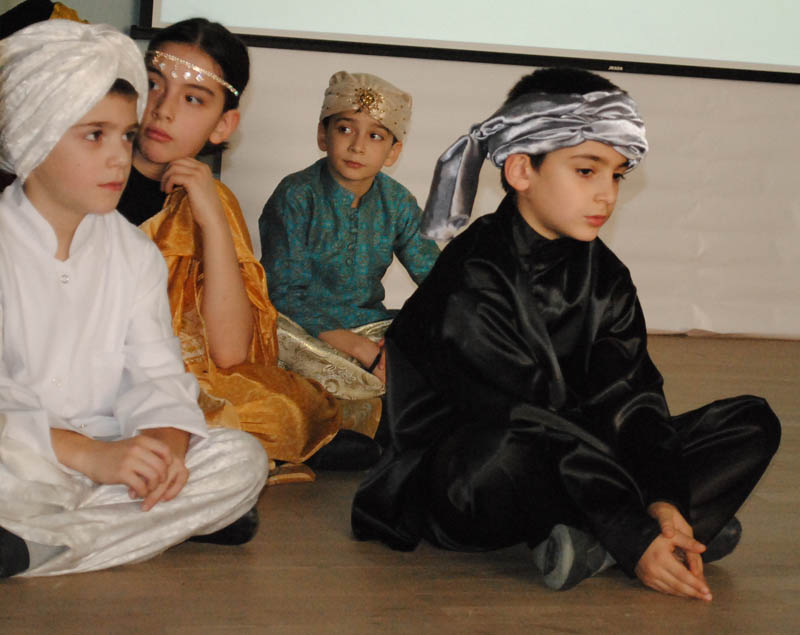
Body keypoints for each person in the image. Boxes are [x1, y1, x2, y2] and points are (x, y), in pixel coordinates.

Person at [350, 67, 780, 600]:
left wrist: (664, 498)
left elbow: (633, 399)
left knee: (751, 422)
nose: (606, 195)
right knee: (507, 451)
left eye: (617, 175)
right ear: (521, 170)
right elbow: (526, 418)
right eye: (586, 170)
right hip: (469, 477)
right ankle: (647, 534)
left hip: (574, 450)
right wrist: (630, 525)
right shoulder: (471, 278)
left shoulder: (607, 277)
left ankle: (618, 536)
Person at [0, 20, 268, 578]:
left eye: (125, 135)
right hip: (25, 450)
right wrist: (88, 456)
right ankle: (115, 528)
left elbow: (159, 379)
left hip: (109, 448)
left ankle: (42, 543)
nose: (119, 157)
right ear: (34, 135)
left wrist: (161, 450)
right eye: (94, 135)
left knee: (241, 461)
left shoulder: (133, 253)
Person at [117, 19, 379, 478]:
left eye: (193, 99)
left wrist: (212, 221)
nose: (163, 110)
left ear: (223, 125)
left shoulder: (212, 200)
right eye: (153, 84)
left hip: (181, 375)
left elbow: (230, 352)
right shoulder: (86, 170)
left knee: (282, 408)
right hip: (90, 364)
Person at [259, 71, 440, 399]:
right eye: (345, 129)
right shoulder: (296, 194)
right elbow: (283, 293)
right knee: (272, 334)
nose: (357, 147)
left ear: (393, 152)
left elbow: (437, 281)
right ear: (322, 135)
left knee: (444, 336)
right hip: (305, 333)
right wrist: (360, 349)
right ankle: (375, 383)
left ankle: (373, 381)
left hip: (372, 326)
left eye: (375, 136)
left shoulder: (397, 202)